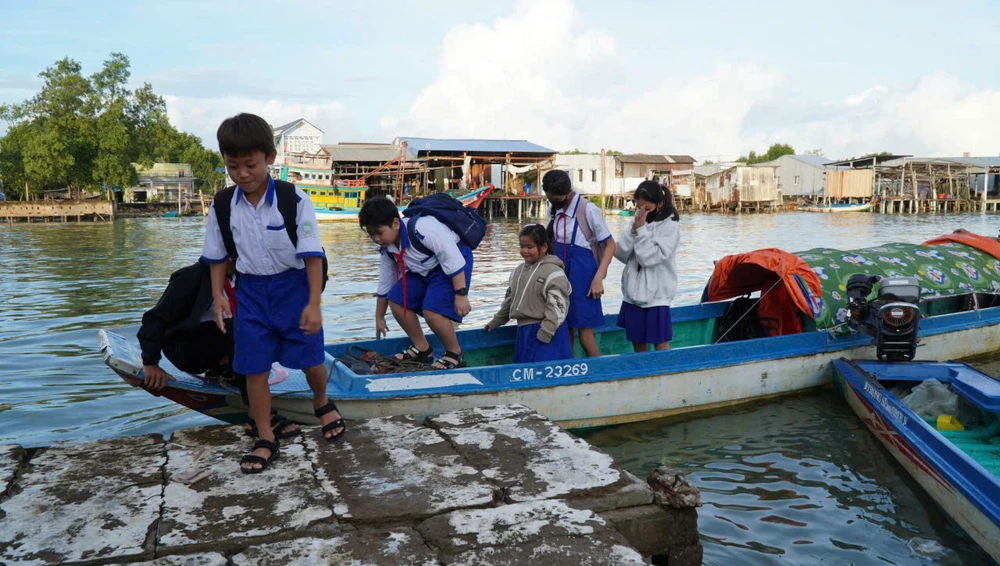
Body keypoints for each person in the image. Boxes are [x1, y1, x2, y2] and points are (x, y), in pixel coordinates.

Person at [202, 113, 344, 474]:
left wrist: (314, 303)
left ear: (270, 157)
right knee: (254, 367)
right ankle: (265, 435)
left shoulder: (293, 200)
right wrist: (219, 295)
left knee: (311, 358)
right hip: (250, 292)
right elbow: (217, 257)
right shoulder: (222, 207)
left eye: (250, 164)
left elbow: (313, 256)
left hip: (293, 287)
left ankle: (322, 401)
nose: (242, 174)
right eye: (233, 166)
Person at [135, 258, 300, 439]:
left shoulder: (238, 276)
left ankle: (228, 370)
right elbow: (154, 319)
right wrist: (150, 362)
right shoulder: (191, 276)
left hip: (219, 343)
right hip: (188, 350)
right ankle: (256, 416)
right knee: (239, 328)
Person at [359, 196, 473, 369]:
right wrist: (379, 317)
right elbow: (385, 284)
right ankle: (422, 348)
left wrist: (461, 294)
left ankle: (455, 354)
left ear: (395, 224)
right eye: (371, 234)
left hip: (454, 264)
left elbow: (453, 259)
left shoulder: (423, 228)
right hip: (423, 269)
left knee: (432, 312)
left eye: (379, 232)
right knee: (396, 299)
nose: (375, 238)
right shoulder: (387, 249)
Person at [542, 169, 616, 357]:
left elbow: (610, 244)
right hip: (559, 272)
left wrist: (598, 278)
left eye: (557, 200)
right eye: (550, 199)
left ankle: (600, 375)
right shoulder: (553, 209)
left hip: (583, 275)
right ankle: (570, 373)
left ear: (568, 193)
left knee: (585, 336)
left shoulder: (587, 210)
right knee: (563, 329)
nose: (554, 203)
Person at [484, 224, 572, 362]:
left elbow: (558, 306)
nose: (524, 251)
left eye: (529, 247)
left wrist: (546, 331)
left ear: (543, 247)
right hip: (523, 331)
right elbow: (510, 299)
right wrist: (496, 321)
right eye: (522, 246)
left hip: (545, 332)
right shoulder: (517, 271)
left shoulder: (554, 273)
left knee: (544, 374)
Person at [614, 181, 681, 352]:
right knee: (637, 340)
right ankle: (642, 375)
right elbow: (620, 253)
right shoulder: (637, 220)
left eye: (647, 207)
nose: (642, 211)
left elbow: (648, 258)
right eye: (639, 206)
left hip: (656, 296)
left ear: (659, 204)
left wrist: (641, 230)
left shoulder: (670, 226)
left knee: (660, 342)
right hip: (632, 292)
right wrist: (633, 230)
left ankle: (666, 375)